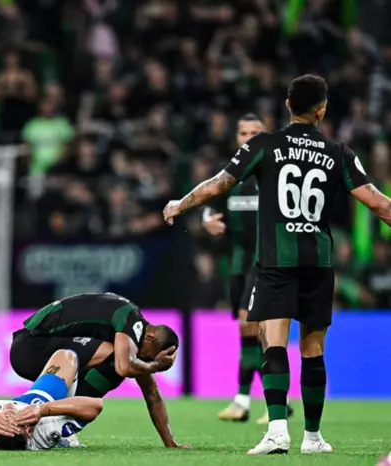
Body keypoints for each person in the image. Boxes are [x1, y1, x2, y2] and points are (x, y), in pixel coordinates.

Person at [163, 74, 391, 455]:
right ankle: (313, 438)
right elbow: (379, 204)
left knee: (273, 341)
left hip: (275, 262)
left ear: (287, 106)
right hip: (318, 263)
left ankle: (277, 431)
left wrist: (179, 204)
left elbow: (218, 184)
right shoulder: (340, 152)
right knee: (313, 348)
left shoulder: (264, 145)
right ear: (322, 110)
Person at [203, 113, 293, 424]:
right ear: (237, 138)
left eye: (256, 132)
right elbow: (209, 206)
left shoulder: (277, 174)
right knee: (250, 331)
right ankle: (259, 401)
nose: (249, 137)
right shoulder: (231, 177)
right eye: (244, 133)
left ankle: (254, 400)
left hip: (267, 263)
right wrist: (207, 221)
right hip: (238, 267)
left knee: (255, 326)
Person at [10, 292, 188, 448]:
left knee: (120, 361)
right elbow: (124, 367)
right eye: (149, 357)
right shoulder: (130, 319)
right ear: (150, 337)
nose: (146, 362)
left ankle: (52, 425)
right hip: (31, 347)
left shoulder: (129, 330)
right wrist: (155, 366)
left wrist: (170, 442)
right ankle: (58, 424)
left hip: (39, 348)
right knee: (116, 361)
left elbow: (152, 393)